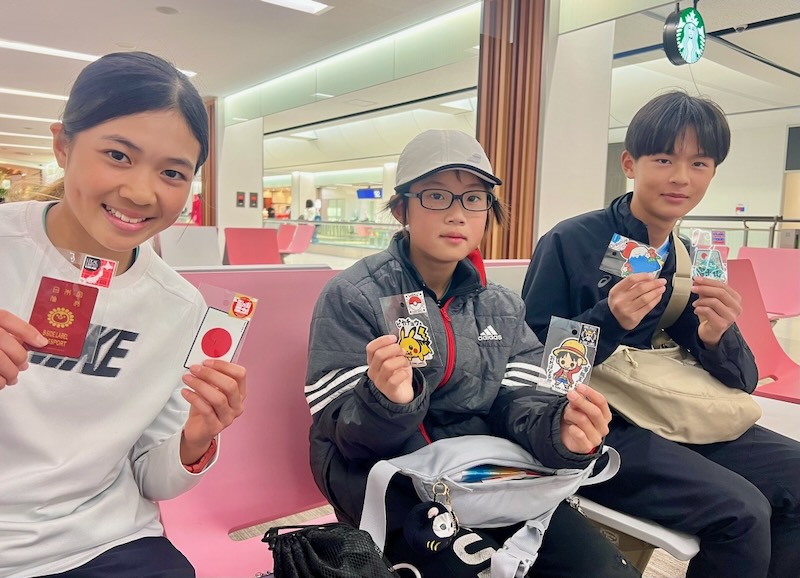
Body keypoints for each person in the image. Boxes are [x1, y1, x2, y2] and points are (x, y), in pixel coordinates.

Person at [305, 129, 640, 577]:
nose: (457, 214)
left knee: (603, 569)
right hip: (389, 477)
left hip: (485, 474)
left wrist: (561, 432)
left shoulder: (502, 305)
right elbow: (342, 434)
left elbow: (521, 401)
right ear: (402, 209)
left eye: (474, 198)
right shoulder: (355, 295)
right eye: (436, 196)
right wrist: (387, 402)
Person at [521, 91, 800, 578]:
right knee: (742, 513)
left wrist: (718, 336)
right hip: (598, 424)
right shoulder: (570, 241)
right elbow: (535, 366)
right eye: (664, 159)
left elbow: (743, 380)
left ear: (712, 173)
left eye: (699, 163)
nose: (681, 177)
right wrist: (609, 318)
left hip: (670, 412)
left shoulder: (683, 256)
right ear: (630, 164)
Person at [0, 52, 247, 578]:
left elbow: (150, 477)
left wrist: (195, 439)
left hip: (105, 542)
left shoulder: (180, 307)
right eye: (117, 155)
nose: (139, 192)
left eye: (172, 172)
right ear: (63, 145)